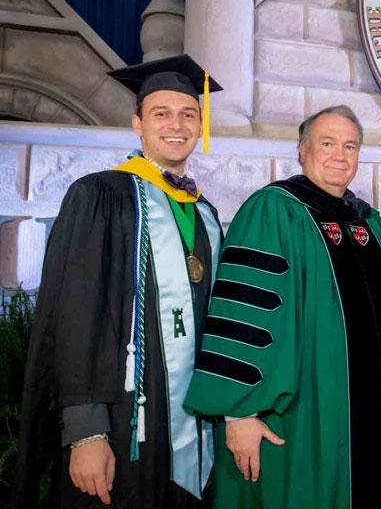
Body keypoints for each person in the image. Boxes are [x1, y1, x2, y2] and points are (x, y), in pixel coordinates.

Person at [14, 54, 224, 507]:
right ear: (137, 124)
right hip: (126, 423)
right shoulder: (100, 196)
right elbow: (75, 317)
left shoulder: (206, 214)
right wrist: (86, 431)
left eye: (189, 114)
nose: (177, 124)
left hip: (195, 427)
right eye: (161, 114)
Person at [183, 106, 381, 508]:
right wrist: (238, 415)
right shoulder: (276, 209)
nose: (339, 155)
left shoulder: (368, 223)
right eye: (327, 143)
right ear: (302, 151)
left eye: (350, 145)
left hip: (371, 425)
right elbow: (243, 316)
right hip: (300, 419)